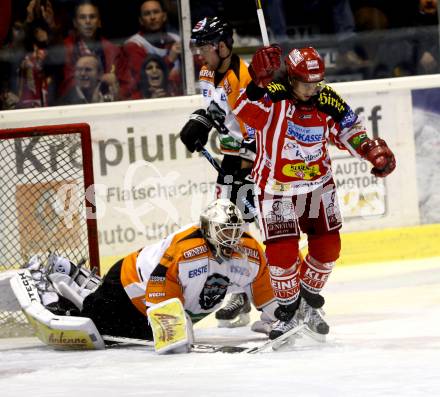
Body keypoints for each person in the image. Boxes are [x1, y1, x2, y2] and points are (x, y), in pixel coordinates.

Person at [233, 45, 396, 339]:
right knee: (282, 255)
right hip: (276, 187)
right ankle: (287, 310)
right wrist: (257, 80)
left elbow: (349, 129)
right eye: (305, 83)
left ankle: (308, 301)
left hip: (319, 186)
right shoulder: (273, 95)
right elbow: (245, 111)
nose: (311, 89)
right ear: (291, 78)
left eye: (316, 82)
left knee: (328, 249)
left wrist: (371, 151)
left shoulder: (326, 98)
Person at [25, 199, 278, 344]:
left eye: (235, 231)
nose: (231, 239)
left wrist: (277, 320)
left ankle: (81, 279)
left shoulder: (250, 251)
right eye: (224, 231)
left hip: (151, 298)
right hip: (127, 286)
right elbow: (159, 287)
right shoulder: (186, 251)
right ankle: (51, 293)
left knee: (139, 338)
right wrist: (176, 329)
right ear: (207, 228)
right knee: (97, 332)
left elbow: (265, 287)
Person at [179, 16, 259, 325]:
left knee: (262, 225)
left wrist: (244, 168)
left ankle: (283, 292)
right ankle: (239, 294)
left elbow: (257, 130)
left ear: (222, 46)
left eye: (205, 46)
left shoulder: (244, 78)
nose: (200, 53)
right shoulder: (206, 71)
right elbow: (215, 108)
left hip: (253, 160)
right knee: (227, 226)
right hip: (231, 158)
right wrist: (200, 120)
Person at [59, 0, 132, 100]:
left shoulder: (113, 50)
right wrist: (100, 78)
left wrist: (116, 86)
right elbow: (65, 87)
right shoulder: (64, 49)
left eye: (92, 17)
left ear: (99, 22)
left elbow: (127, 86)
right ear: (75, 23)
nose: (88, 21)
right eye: (82, 17)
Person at [123, 0, 182, 99]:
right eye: (147, 14)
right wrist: (169, 60)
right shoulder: (133, 44)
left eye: (156, 12)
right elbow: (142, 78)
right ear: (141, 20)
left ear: (164, 16)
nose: (152, 17)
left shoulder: (176, 39)